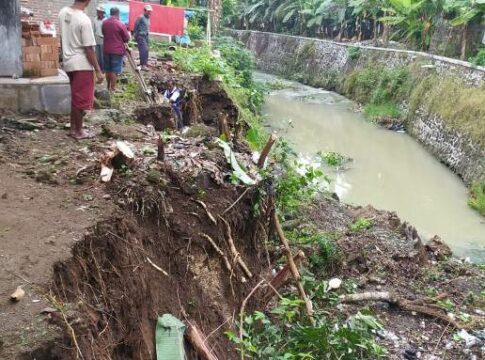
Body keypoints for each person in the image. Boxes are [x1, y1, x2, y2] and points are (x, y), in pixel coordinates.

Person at [59, 0, 104, 140]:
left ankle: (74, 128)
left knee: (75, 96)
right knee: (80, 99)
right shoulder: (84, 20)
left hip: (68, 61)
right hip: (82, 64)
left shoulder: (63, 12)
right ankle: (79, 131)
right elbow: (89, 48)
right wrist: (98, 70)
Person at [102, 7, 130, 91]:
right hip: (117, 50)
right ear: (118, 13)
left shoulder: (104, 23)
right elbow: (126, 38)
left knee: (108, 69)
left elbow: (103, 33)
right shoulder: (120, 24)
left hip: (106, 48)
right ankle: (113, 88)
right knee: (115, 69)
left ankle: (107, 86)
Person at [133, 5, 152, 71]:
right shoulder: (140, 17)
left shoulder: (148, 18)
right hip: (141, 36)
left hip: (146, 36)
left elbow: (147, 27)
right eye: (148, 11)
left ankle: (145, 63)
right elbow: (135, 26)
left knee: (146, 50)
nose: (149, 12)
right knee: (143, 50)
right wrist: (135, 35)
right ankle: (143, 65)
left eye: (150, 11)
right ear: (144, 11)